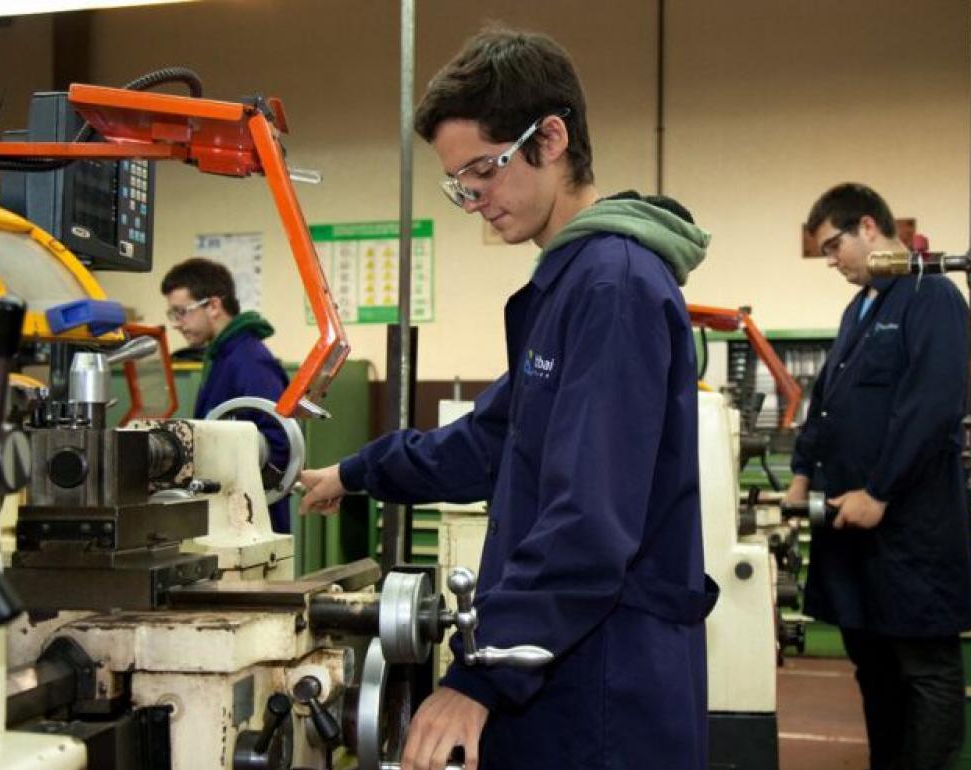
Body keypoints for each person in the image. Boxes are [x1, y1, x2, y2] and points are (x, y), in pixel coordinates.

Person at [299, 28, 716, 770]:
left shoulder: (612, 287)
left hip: (604, 688)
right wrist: (356, 472)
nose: (472, 201)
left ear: (550, 139)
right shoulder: (571, 282)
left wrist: (481, 675)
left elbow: (590, 521)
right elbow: (490, 441)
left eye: (482, 171)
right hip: (564, 672)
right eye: (457, 182)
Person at [789, 183, 971, 770]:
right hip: (855, 533)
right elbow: (827, 401)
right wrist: (801, 474)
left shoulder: (931, 296)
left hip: (911, 528)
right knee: (873, 667)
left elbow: (932, 407)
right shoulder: (860, 308)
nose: (831, 261)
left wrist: (879, 491)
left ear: (868, 227)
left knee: (924, 669)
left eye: (833, 246)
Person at [160, 257, 292, 533]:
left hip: (249, 519)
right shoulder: (223, 356)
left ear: (213, 305)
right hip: (228, 512)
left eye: (181, 312)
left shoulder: (249, 361)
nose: (177, 323)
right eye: (173, 314)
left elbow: (279, 444)